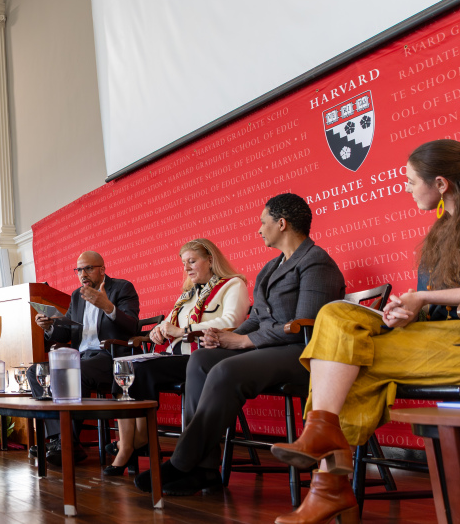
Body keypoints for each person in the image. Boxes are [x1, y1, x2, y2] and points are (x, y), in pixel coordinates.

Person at [272, 140, 460, 524]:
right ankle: (323, 440)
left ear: (440, 183)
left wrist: (421, 297)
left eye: (411, 181)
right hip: (432, 336)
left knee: (345, 365)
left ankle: (329, 486)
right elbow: (432, 305)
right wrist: (405, 312)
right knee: (334, 315)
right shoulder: (441, 231)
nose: (407, 188)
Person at [135, 193, 345, 496]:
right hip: (270, 349)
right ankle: (205, 469)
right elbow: (257, 317)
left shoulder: (316, 262)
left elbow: (307, 325)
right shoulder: (271, 268)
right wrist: (224, 338)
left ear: (282, 224)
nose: (259, 229)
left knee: (225, 371)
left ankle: (182, 461)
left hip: (303, 354)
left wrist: (245, 341)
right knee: (201, 360)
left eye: (263, 222)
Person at [104, 239, 249, 476]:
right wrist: (157, 331)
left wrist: (184, 331)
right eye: (184, 263)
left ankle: (135, 442)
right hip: (176, 356)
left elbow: (232, 321)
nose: (187, 268)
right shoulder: (187, 295)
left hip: (206, 358)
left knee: (143, 369)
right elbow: (168, 323)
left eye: (192, 261)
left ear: (210, 259)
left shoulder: (232, 285)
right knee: (124, 366)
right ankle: (130, 441)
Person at [27, 250, 140, 465]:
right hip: (81, 357)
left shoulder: (121, 288)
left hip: (109, 357)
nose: (83, 274)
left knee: (72, 372)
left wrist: (107, 306)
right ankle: (61, 440)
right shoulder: (77, 296)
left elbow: (131, 326)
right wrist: (49, 326)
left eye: (88, 268)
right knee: (36, 371)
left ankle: (66, 444)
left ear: (102, 269)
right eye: (79, 270)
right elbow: (66, 333)